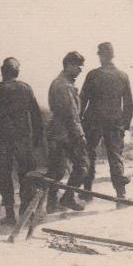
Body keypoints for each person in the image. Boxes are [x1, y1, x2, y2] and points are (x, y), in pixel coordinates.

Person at [0, 57, 43, 225]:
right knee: (26, 175)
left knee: (3, 176)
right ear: (17, 72)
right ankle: (25, 212)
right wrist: (37, 139)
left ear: (2, 71)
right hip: (22, 140)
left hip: (2, 141)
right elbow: (36, 115)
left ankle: (10, 214)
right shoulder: (26, 88)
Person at [79, 42, 133, 202]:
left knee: (89, 155)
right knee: (115, 156)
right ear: (112, 56)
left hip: (93, 121)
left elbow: (82, 100)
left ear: (101, 56)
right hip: (114, 122)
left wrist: (79, 120)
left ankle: (87, 192)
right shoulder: (122, 76)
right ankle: (121, 194)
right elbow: (129, 104)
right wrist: (124, 125)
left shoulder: (93, 75)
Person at [45, 51, 90, 212]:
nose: (80, 70)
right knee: (83, 165)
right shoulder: (64, 86)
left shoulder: (59, 82)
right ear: (69, 65)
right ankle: (68, 198)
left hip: (57, 133)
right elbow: (71, 114)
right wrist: (80, 135)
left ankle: (52, 204)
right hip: (67, 133)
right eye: (78, 66)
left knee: (56, 170)